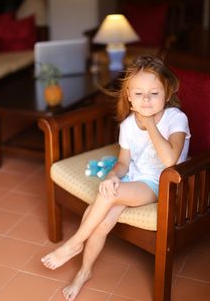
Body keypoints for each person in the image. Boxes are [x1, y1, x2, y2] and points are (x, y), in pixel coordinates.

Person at [41, 55, 190, 301]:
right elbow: (122, 162)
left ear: (167, 92)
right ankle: (83, 273)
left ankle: (74, 243)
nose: (146, 99)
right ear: (129, 96)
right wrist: (111, 176)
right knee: (97, 218)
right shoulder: (129, 124)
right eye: (139, 93)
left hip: (162, 182)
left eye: (154, 93)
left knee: (109, 196)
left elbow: (170, 160)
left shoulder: (176, 118)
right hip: (135, 178)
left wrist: (151, 124)